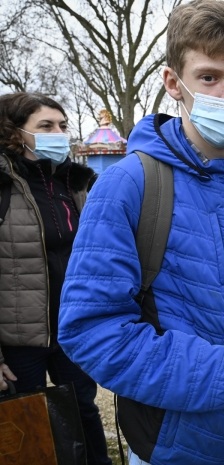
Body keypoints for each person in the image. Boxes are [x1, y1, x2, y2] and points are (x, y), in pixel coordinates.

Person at [57, 2, 224, 464]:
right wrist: (223, 376)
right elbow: (89, 328)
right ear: (175, 83)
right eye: (210, 77)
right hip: (172, 443)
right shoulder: (130, 184)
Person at [0, 92, 111, 464]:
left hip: (72, 330)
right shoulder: (2, 186)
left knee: (84, 408)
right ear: (15, 133)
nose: (58, 133)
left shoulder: (75, 184)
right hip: (18, 335)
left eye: (62, 126)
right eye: (45, 126)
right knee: (23, 420)